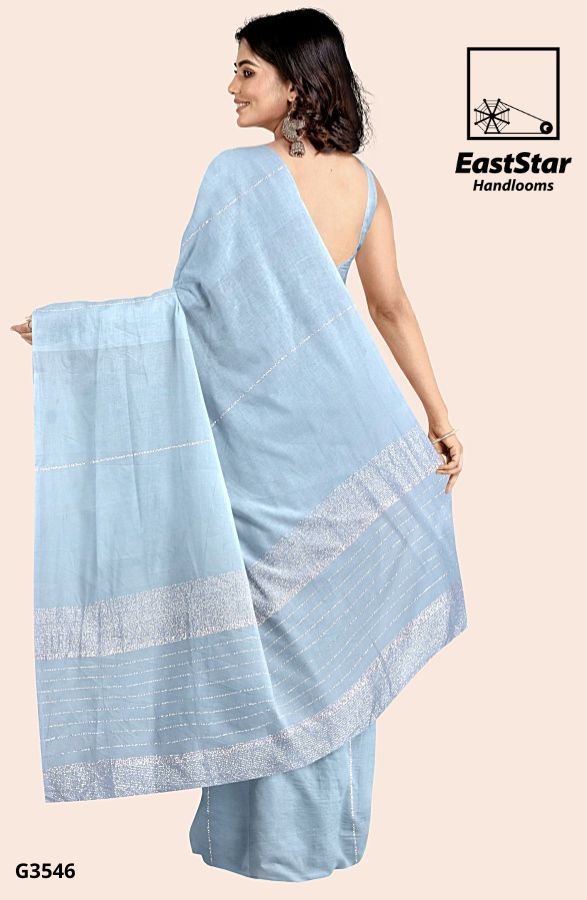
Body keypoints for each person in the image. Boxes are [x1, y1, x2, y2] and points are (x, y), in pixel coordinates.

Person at [11, 7, 465, 884]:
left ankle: (265, 847)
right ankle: (323, 840)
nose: (231, 86)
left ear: (296, 82)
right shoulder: (363, 184)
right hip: (346, 441)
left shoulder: (235, 175)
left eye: (247, 70)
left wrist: (73, 333)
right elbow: (391, 308)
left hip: (266, 457)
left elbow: (188, 314)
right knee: (327, 635)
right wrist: (439, 416)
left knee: (262, 640)